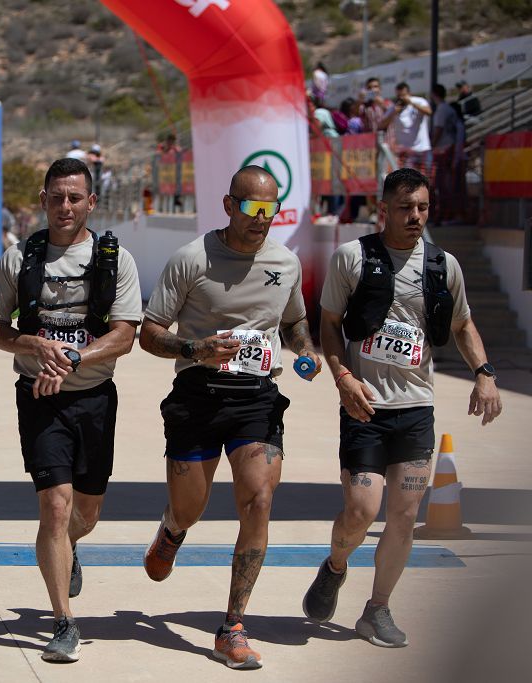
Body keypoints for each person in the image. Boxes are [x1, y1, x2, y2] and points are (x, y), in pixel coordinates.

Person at [304, 167, 501, 645]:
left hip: (416, 407)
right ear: (384, 209)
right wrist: (343, 377)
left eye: (423, 208)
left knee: (405, 515)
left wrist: (484, 373)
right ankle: (335, 564)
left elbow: (463, 325)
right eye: (406, 208)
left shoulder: (443, 265)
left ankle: (377, 609)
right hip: (364, 405)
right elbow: (329, 325)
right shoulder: (353, 257)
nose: (416, 217)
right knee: (361, 510)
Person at [139, 165, 322, 670]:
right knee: (189, 507)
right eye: (252, 208)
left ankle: (233, 625)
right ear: (229, 205)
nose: (262, 219)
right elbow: (149, 333)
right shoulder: (192, 259)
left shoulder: (285, 263)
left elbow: (295, 322)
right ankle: (172, 532)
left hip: (256, 399)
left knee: (259, 498)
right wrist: (195, 348)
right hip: (197, 396)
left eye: (271, 209)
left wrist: (306, 350)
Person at [0, 158, 142, 663]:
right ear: (43, 199)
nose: (66, 206)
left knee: (85, 513)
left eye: (75, 198)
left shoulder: (116, 259)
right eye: (57, 197)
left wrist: (75, 356)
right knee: (54, 506)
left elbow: (124, 336)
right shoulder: (20, 257)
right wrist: (32, 343)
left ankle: (69, 549)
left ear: (91, 202)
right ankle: (62, 620)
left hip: (95, 398)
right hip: (39, 398)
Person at [382, 82, 433, 179]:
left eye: (403, 95)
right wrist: (394, 112)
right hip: (404, 152)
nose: (401, 98)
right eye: (399, 96)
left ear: (409, 93)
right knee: (407, 181)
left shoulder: (419, 101)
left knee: (425, 179)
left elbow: (428, 112)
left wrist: (411, 102)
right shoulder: (395, 107)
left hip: (421, 149)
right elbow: (382, 124)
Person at [430, 84, 461, 224]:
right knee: (446, 184)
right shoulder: (449, 109)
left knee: (442, 184)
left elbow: (439, 129)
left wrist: (431, 145)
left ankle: (447, 215)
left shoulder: (441, 110)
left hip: (444, 150)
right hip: (449, 148)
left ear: (433, 94)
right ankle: (448, 214)